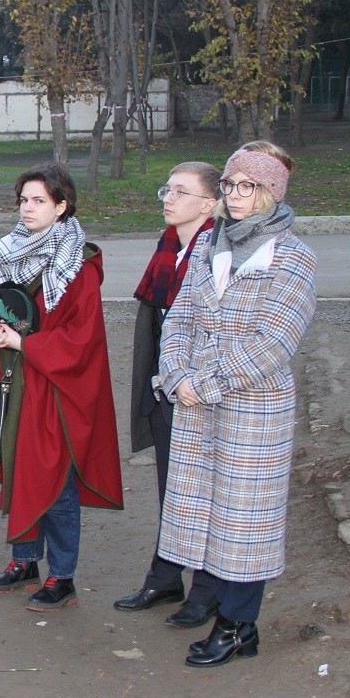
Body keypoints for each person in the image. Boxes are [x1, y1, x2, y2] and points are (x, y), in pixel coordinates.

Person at [157, 140, 317, 667]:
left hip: (254, 409)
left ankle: (236, 625)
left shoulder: (292, 255)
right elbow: (178, 318)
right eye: (229, 184)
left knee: (245, 522)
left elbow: (275, 343)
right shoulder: (211, 246)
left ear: (270, 192)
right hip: (199, 403)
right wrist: (177, 373)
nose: (235, 195)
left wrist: (202, 384)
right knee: (206, 514)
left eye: (247, 185)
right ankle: (226, 617)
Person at [0, 163, 123, 611]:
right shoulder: (12, 254)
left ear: (62, 206)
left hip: (57, 389)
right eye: (23, 200)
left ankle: (63, 575)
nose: (27, 209)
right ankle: (25, 561)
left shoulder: (80, 264)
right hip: (16, 384)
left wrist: (23, 341)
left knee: (56, 479)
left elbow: (83, 337)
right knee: (18, 468)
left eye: (39, 200)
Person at [113, 162, 222, 625]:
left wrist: (187, 380)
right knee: (171, 485)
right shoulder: (168, 248)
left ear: (210, 204)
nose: (168, 198)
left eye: (181, 192)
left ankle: (209, 589)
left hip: (201, 390)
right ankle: (166, 575)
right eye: (167, 189)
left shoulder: (218, 251)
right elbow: (157, 321)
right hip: (164, 384)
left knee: (208, 491)